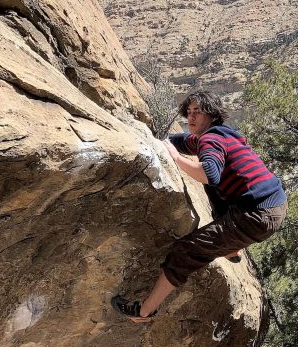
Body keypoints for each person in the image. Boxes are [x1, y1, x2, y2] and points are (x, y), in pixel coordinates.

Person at [112, 89, 287, 322]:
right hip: (273, 204)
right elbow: (186, 141)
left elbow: (209, 174)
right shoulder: (226, 134)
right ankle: (231, 249)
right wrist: (164, 141)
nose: (191, 118)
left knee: (185, 252)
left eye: (198, 112)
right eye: (189, 112)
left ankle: (144, 311)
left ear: (212, 115)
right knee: (215, 190)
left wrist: (175, 157)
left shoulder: (211, 139)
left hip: (254, 216)